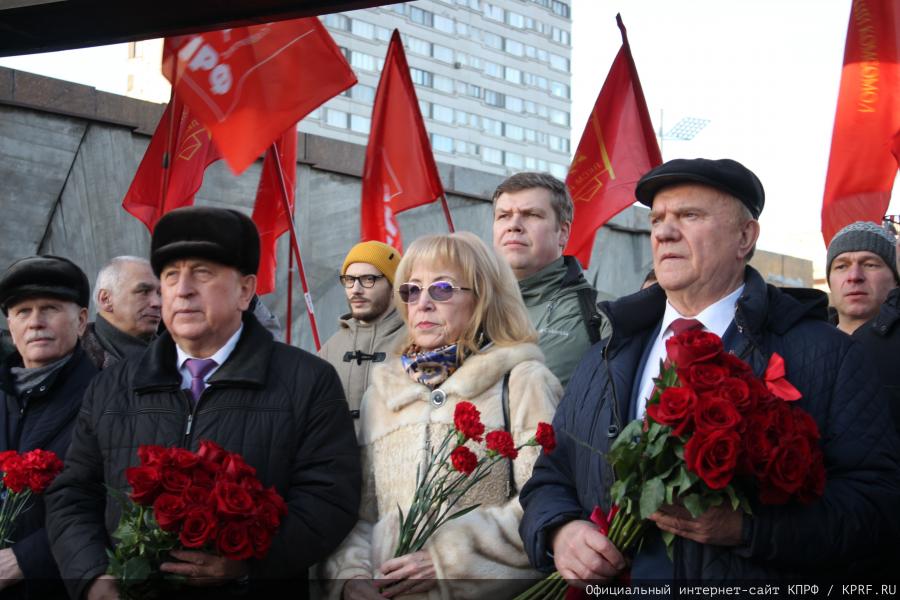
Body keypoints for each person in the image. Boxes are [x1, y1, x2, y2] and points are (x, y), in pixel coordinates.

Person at [519, 158, 900, 583]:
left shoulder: (827, 355)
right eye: (658, 219)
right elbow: (550, 477)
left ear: (745, 236)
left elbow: (878, 505)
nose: (664, 232)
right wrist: (560, 531)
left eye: (689, 216)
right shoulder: (606, 354)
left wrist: (748, 530)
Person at [46, 207, 361, 600]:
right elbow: (72, 495)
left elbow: (329, 499)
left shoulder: (308, 381)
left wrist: (248, 564)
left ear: (245, 290)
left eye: (202, 273)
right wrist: (92, 578)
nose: (182, 289)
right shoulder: (111, 386)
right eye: (170, 275)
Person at [325, 232, 562, 599]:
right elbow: (361, 515)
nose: (422, 304)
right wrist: (351, 578)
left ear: (482, 298)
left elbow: (545, 503)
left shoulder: (522, 381)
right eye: (411, 290)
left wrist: (450, 563)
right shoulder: (382, 394)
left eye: (441, 289)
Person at [0, 255, 99, 599]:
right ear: (10, 325)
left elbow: (109, 501)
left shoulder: (107, 399)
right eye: (22, 312)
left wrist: (26, 560)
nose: (35, 323)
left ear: (81, 320)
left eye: (50, 309)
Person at [492, 172, 608, 388]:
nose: (514, 225)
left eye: (531, 214)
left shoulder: (604, 312)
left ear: (563, 233)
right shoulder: (466, 308)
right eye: (504, 216)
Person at [320, 241, 406, 421]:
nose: (356, 290)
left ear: (393, 285)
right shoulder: (329, 350)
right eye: (349, 280)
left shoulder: (417, 341)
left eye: (368, 279)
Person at [81, 256, 161, 369]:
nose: (158, 303)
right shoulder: (72, 358)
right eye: (144, 292)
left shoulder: (178, 355)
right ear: (105, 299)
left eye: (160, 294)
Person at [825, 221, 899, 335]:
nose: (854, 276)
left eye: (870, 265)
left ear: (896, 279)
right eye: (841, 266)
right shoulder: (803, 342)